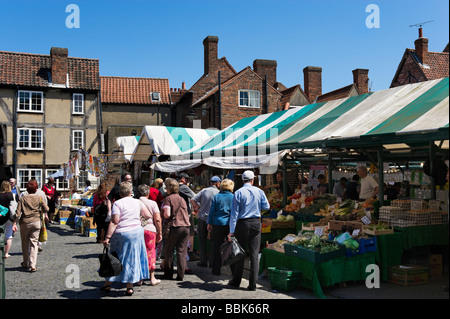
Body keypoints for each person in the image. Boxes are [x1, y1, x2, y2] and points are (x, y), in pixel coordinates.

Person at [101, 181, 152, 296]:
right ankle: (129, 287)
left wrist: (107, 237)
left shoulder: (118, 204)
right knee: (132, 258)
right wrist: (138, 217)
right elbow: (148, 215)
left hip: (122, 233)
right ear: (131, 192)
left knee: (115, 258)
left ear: (120, 193)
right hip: (136, 232)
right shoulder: (137, 202)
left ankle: (108, 284)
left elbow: (115, 221)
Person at [227, 170, 270, 291]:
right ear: (252, 180)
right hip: (256, 222)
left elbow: (234, 214)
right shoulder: (259, 191)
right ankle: (253, 284)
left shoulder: (238, 192)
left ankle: (236, 281)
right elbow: (266, 206)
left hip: (242, 223)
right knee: (254, 254)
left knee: (240, 252)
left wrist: (231, 231)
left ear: (242, 180)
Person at [12, 179, 49, 272]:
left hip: (25, 222)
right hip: (36, 222)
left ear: (27, 189)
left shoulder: (23, 198)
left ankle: (26, 262)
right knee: (34, 243)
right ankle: (33, 264)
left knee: (25, 243)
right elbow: (47, 208)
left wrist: (14, 221)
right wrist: (42, 211)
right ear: (36, 189)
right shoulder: (39, 198)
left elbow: (17, 213)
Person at [161, 178, 191, 281]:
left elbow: (167, 214)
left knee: (169, 251)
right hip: (185, 227)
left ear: (169, 188)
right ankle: (180, 275)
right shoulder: (182, 199)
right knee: (181, 252)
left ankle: (168, 273)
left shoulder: (168, 199)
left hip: (174, 227)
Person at [192, 176, 221, 267]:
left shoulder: (204, 191)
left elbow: (193, 199)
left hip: (202, 218)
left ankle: (203, 261)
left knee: (202, 240)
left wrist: (197, 208)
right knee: (213, 241)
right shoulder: (219, 192)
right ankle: (212, 262)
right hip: (213, 220)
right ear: (217, 183)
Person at [207, 178, 234, 276]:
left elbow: (212, 211)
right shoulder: (233, 197)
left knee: (217, 247)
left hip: (217, 223)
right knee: (230, 247)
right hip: (229, 225)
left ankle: (216, 269)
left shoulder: (217, 196)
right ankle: (232, 270)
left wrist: (209, 223)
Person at [138, 184, 162, 286]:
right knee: (151, 252)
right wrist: (159, 232)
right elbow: (157, 219)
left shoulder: (135, 202)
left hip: (137, 230)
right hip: (150, 230)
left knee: (139, 252)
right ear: (148, 193)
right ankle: (152, 278)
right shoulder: (153, 203)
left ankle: (139, 278)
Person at [177, 172, 198, 263]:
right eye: (187, 179)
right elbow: (195, 196)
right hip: (186, 213)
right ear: (182, 179)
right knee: (190, 233)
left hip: (178, 213)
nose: (187, 181)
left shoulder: (175, 187)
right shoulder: (184, 187)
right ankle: (190, 251)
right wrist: (197, 207)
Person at [0, 180, 16, 258]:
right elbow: (14, 207)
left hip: (1, 217)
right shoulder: (11, 195)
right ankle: (6, 253)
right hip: (9, 217)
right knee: (9, 235)